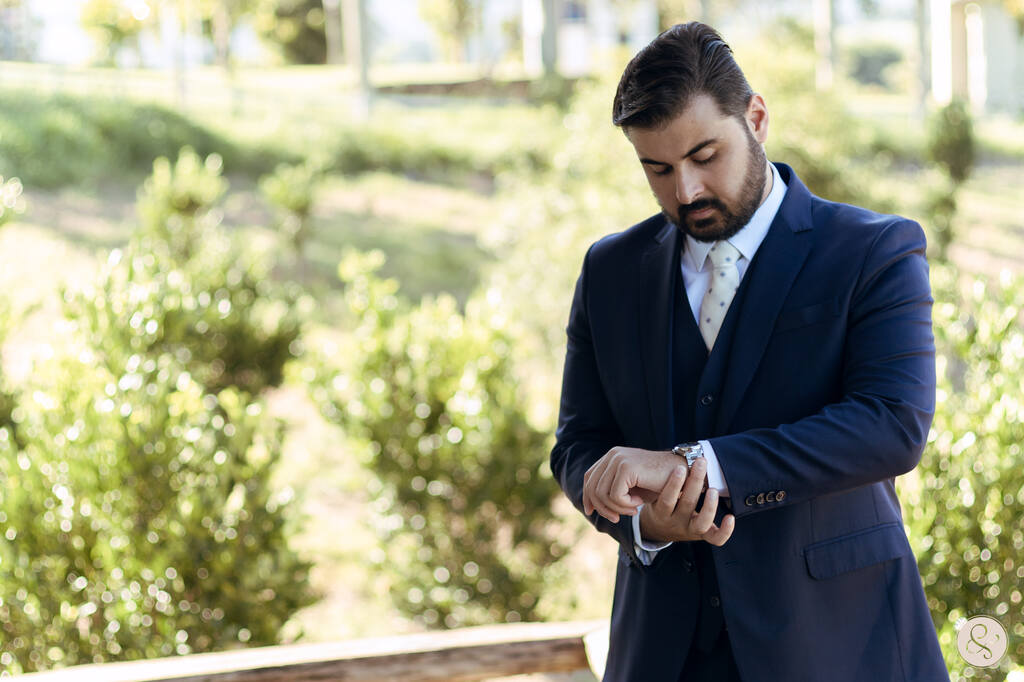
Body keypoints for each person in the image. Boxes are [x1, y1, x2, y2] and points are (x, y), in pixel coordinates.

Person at [550, 22, 948, 682]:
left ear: (756, 118)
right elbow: (578, 444)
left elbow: (891, 425)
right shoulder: (610, 270)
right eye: (658, 169)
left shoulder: (874, 251)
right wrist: (645, 520)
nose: (686, 191)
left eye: (705, 155)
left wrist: (694, 465)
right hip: (661, 653)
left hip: (840, 645)